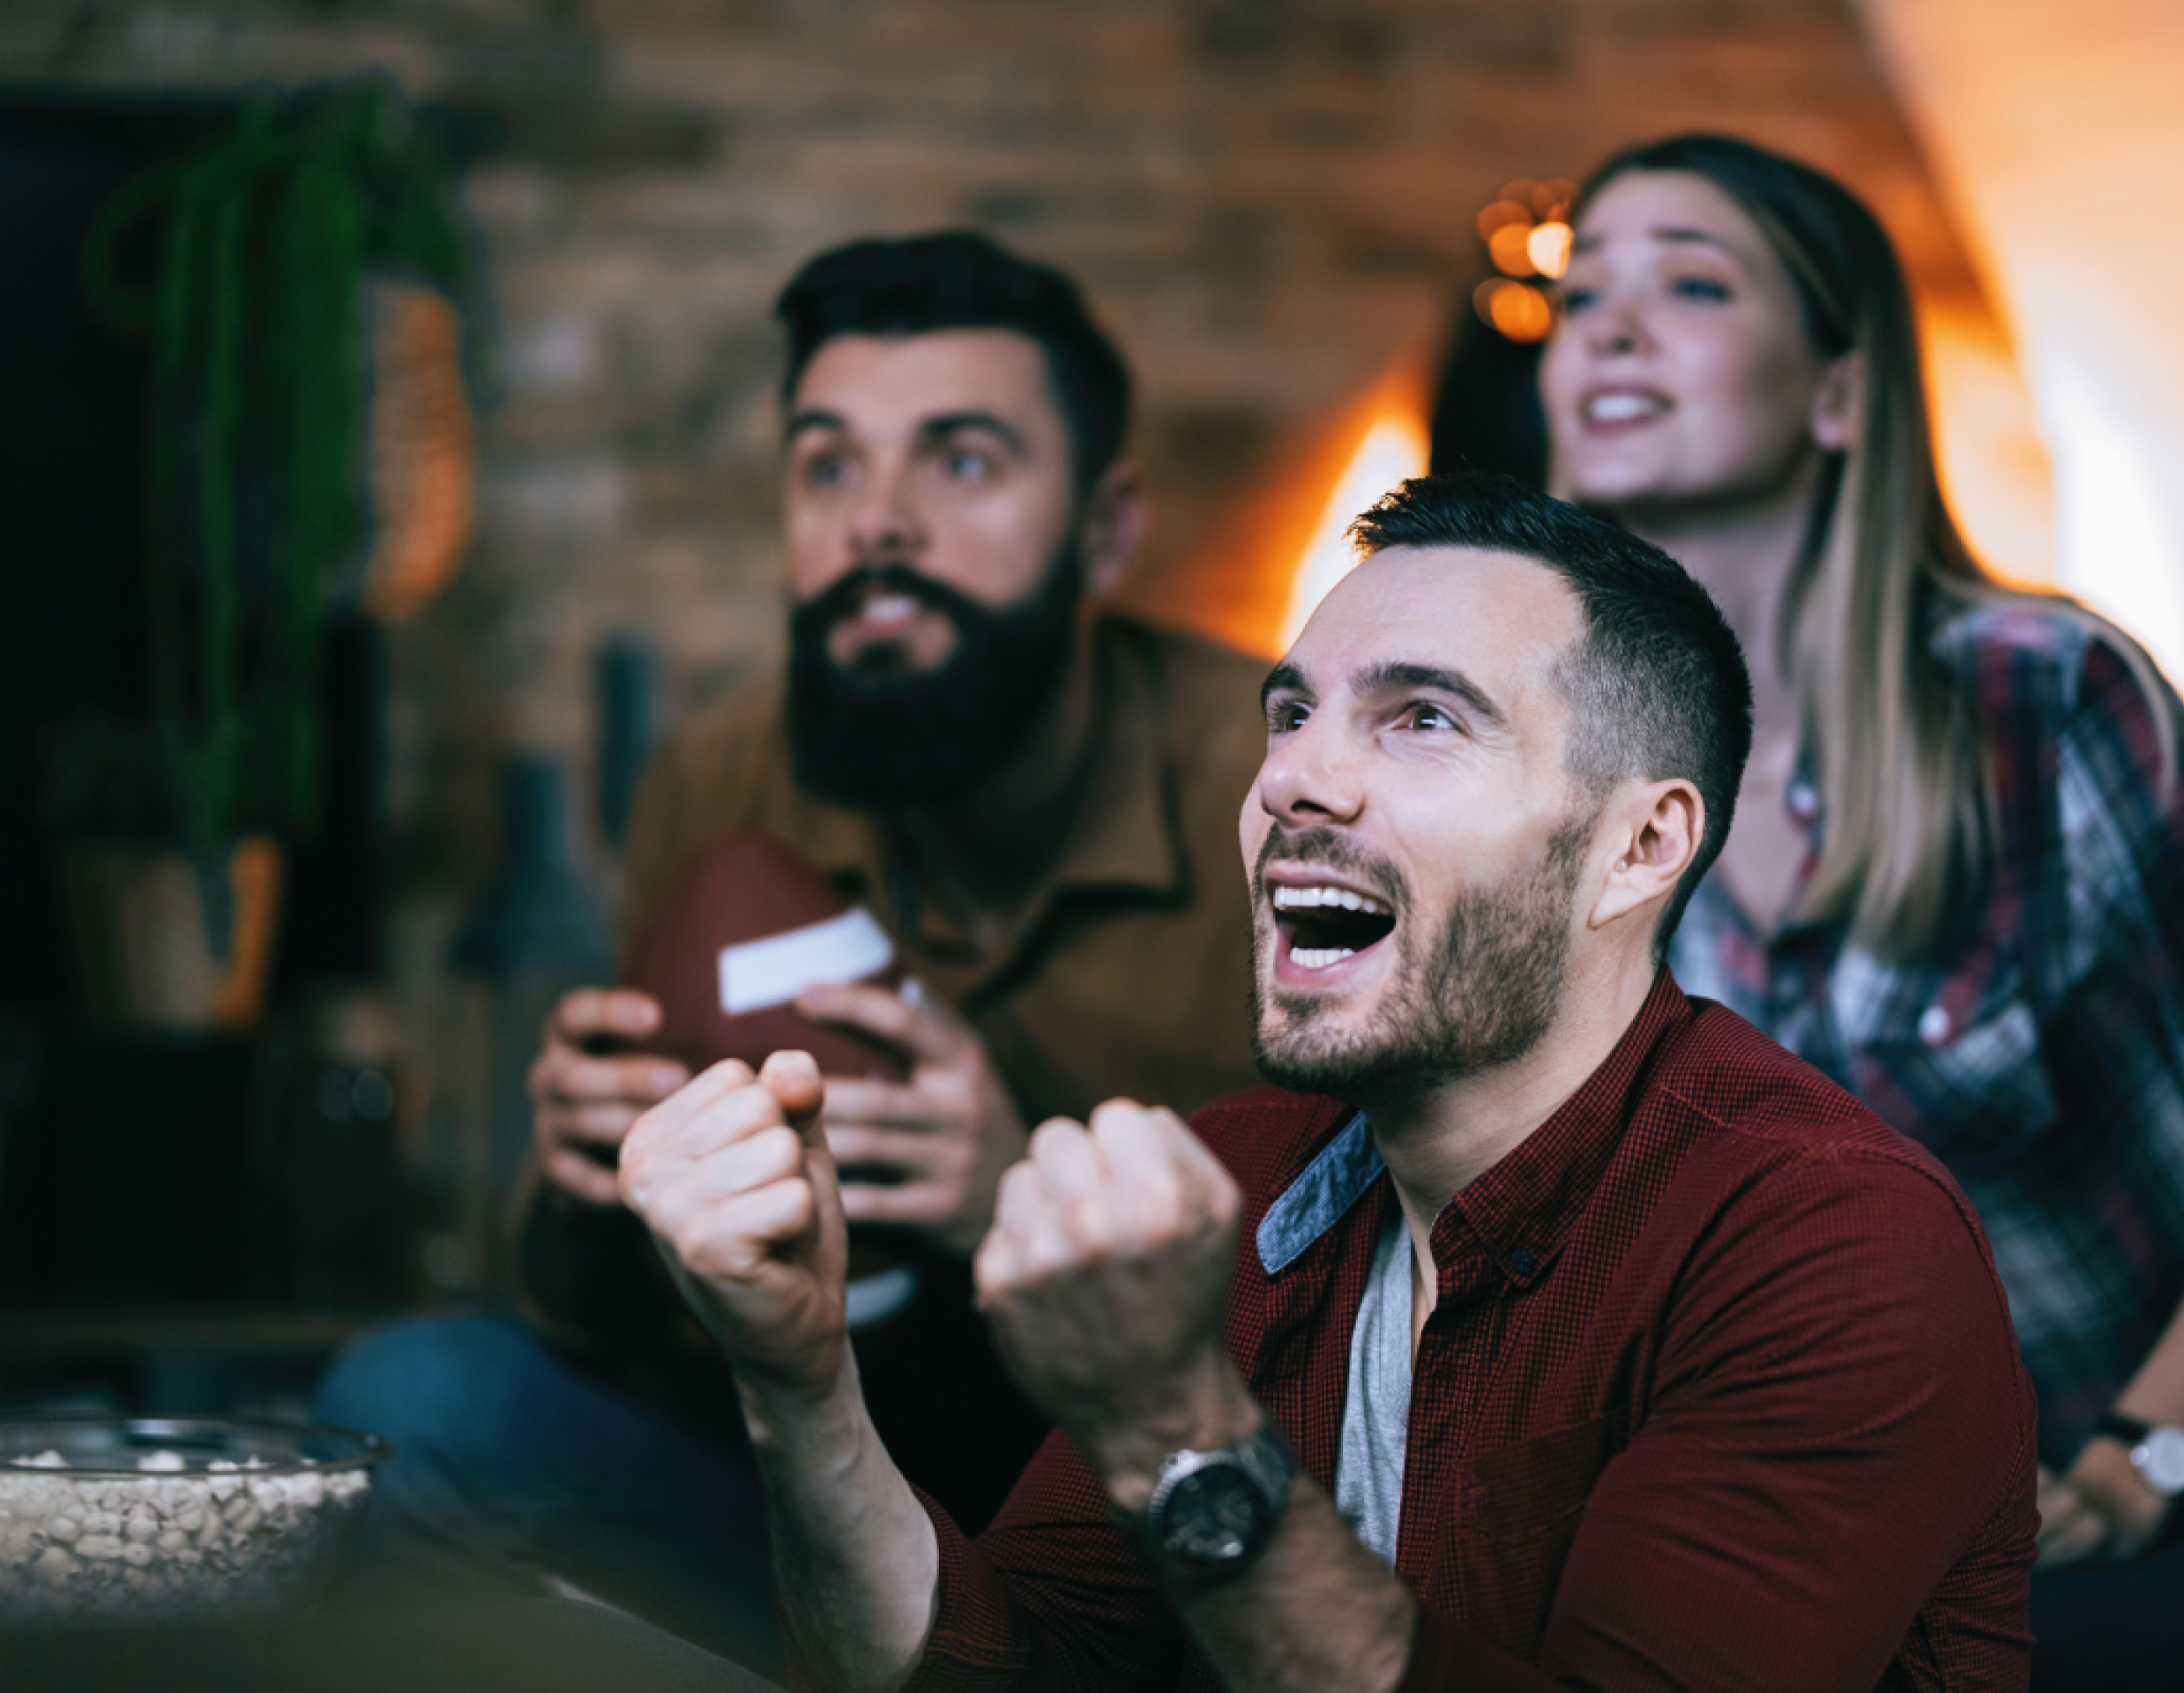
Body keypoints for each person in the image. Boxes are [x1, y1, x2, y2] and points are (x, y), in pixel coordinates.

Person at [621, 472, 2042, 1692]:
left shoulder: (1835, 1243)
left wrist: (1170, 1428)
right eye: (1290, 715)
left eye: (1422, 720)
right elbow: (999, 1669)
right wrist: (800, 1385)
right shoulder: (1240, 1174)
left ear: (1639, 848)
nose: (1301, 780)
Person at [1534, 131, 2184, 1691]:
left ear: (1841, 393)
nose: (1611, 329)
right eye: (1580, 300)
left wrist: (2144, 1457)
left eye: (1692, 284)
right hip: (1945, 1551)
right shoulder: (1574, 802)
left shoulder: (2046, 695)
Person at [313, 233, 1271, 1667]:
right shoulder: (727, 768)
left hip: (1152, 1521)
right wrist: (597, 1184)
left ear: (1106, 529)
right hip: (807, 1471)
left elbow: (1380, 1359)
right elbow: (598, 1321)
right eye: (827, 466)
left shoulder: (1276, 787)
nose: (875, 523)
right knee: (417, 1396)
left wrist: (1014, 1192)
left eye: (959, 463)